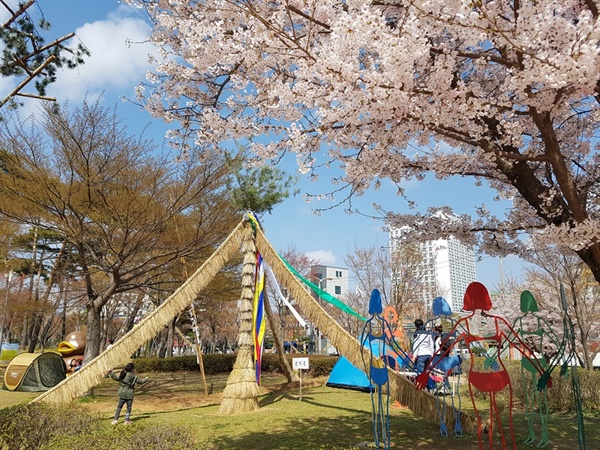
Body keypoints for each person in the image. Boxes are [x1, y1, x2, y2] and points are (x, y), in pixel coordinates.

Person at [411, 318, 435, 390]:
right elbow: (431, 345)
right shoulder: (428, 333)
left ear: (416, 326)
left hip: (421, 355)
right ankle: (428, 388)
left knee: (420, 373)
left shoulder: (416, 334)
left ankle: (419, 388)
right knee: (426, 373)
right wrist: (431, 354)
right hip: (428, 355)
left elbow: (416, 345)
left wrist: (414, 356)